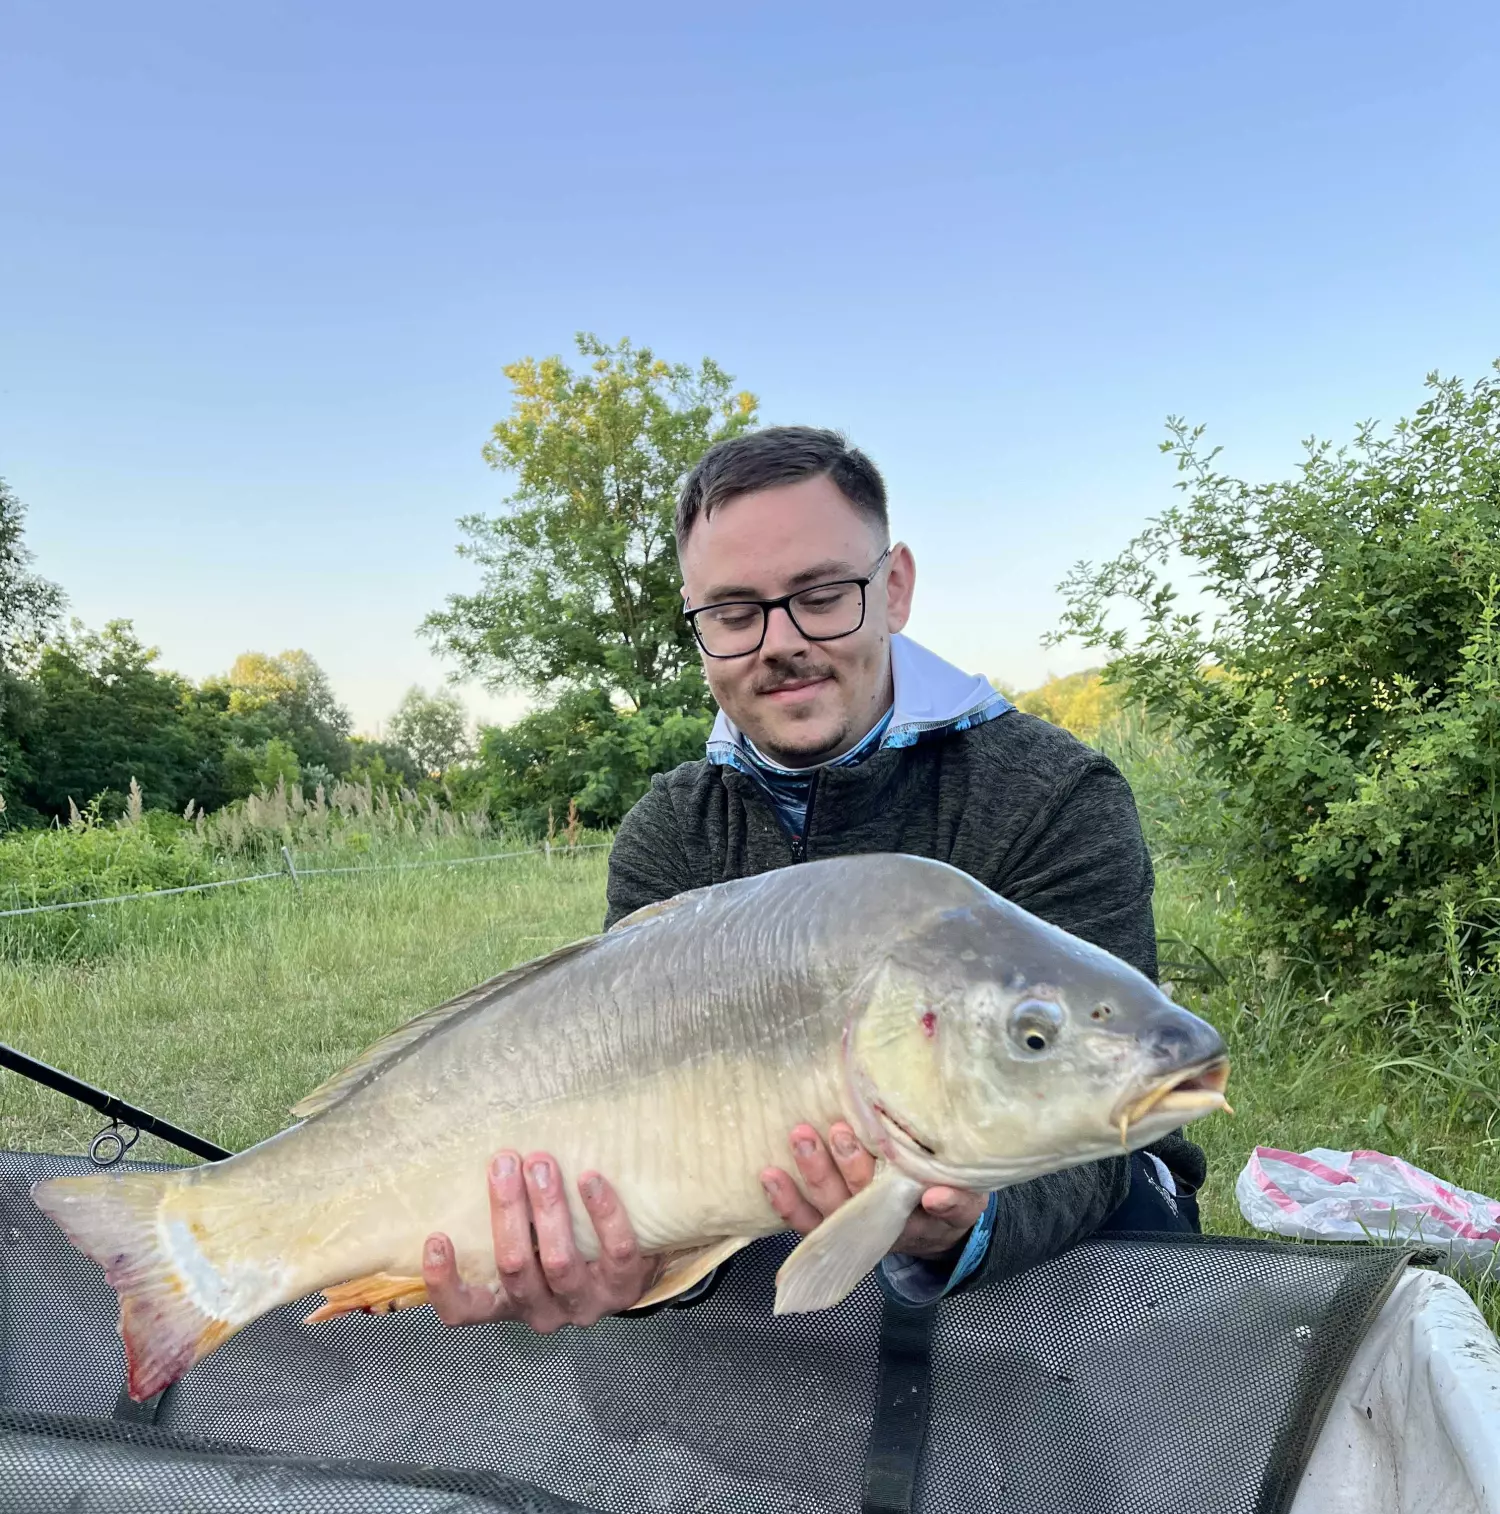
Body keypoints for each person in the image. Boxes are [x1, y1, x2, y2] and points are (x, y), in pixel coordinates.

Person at [423, 427, 1205, 1334]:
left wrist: (961, 1224)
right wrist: (617, 1266)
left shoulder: (1053, 795)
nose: (781, 642)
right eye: (734, 613)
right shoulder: (671, 830)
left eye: (822, 595)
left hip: (1048, 1282)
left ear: (894, 588)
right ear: (698, 624)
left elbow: (1098, 1135)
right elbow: (640, 1152)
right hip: (770, 1262)